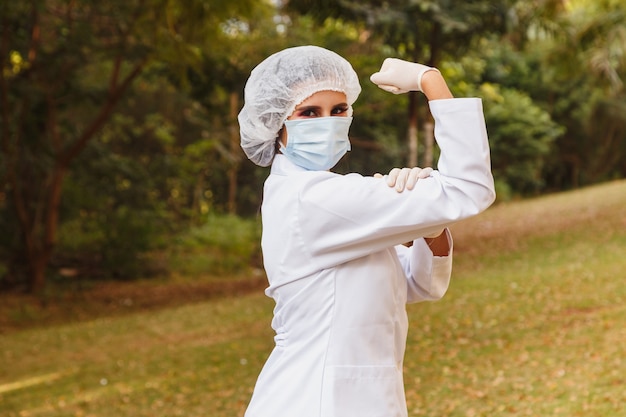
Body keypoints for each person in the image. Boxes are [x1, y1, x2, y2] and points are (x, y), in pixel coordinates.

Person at [238, 45, 495, 417]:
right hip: (314, 401)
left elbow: (418, 283)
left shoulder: (324, 195)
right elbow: (470, 187)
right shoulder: (313, 198)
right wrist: (430, 80)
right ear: (276, 123)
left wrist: (429, 226)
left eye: (339, 110)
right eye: (309, 112)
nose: (328, 122)